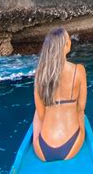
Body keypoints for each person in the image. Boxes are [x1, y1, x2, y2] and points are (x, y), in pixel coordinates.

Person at [32, 27, 87, 162]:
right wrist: (82, 131)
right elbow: (81, 108)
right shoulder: (78, 70)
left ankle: (35, 139)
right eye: (69, 40)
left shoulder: (40, 74)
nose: (70, 43)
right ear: (65, 46)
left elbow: (41, 114)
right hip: (71, 145)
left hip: (43, 149)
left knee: (37, 112)